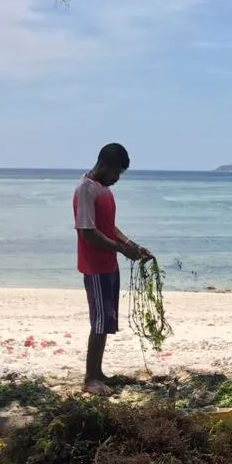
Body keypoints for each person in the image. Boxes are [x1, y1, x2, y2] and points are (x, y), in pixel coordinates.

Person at [73, 143, 152, 396]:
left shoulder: (103, 189)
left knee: (106, 320)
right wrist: (120, 248)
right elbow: (88, 233)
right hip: (95, 265)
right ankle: (90, 377)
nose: (117, 178)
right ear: (103, 165)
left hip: (109, 264)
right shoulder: (85, 189)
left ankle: (98, 372)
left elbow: (109, 227)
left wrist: (131, 245)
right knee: (98, 322)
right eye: (116, 172)